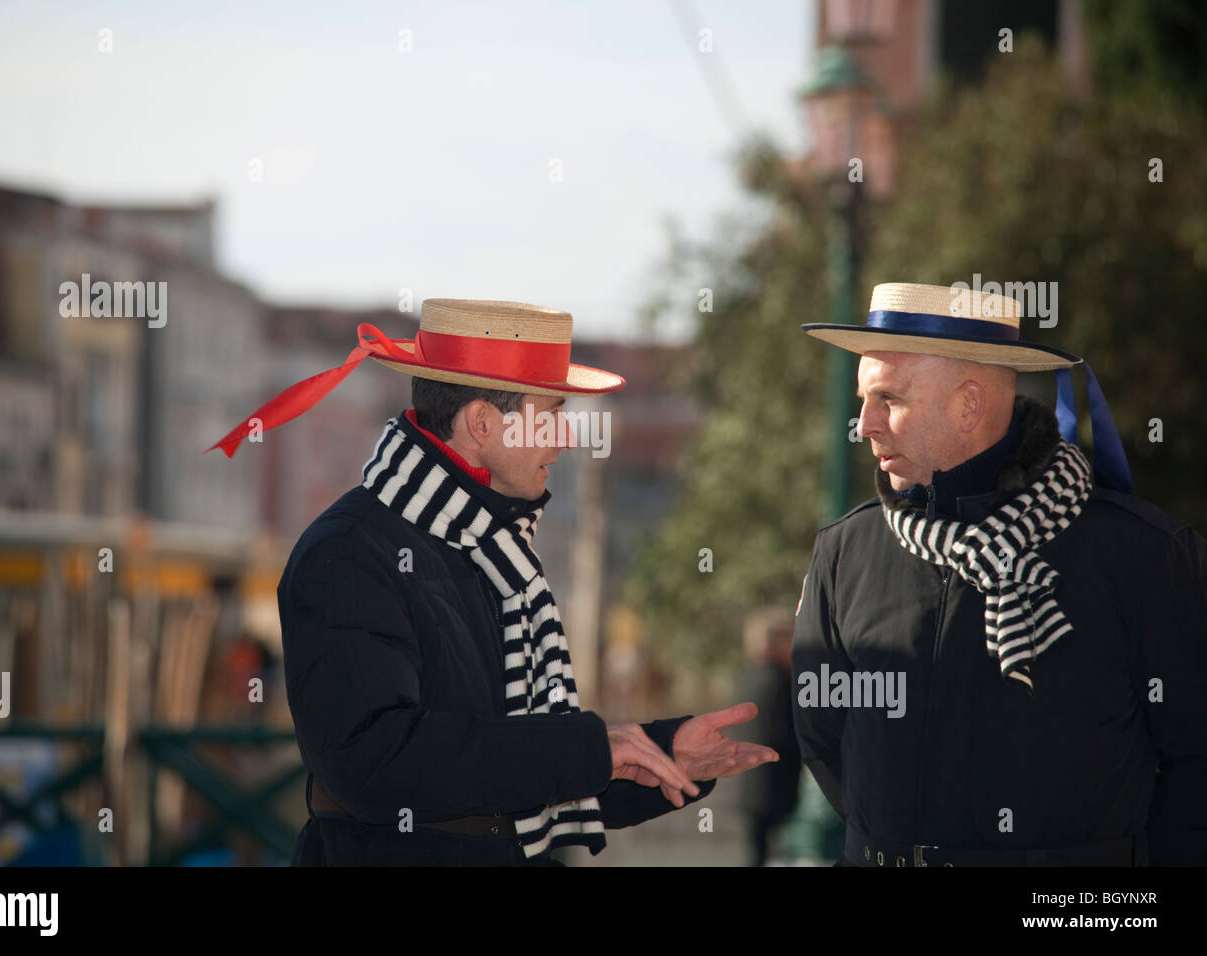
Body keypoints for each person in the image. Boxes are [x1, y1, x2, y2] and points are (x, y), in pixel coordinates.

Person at [208, 297, 778, 865]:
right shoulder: (348, 552)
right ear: (482, 423)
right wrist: (588, 750)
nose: (564, 439)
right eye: (551, 414)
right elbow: (376, 766)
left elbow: (513, 781)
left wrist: (663, 753)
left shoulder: (490, 547)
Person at [792, 281, 1207, 866]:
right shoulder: (846, 550)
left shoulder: (1145, 553)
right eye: (863, 400)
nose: (864, 425)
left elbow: (1194, 764)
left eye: (888, 399)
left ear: (969, 404)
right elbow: (822, 739)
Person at [731, 607, 802, 866]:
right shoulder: (777, 681)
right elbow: (785, 734)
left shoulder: (748, 676)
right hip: (773, 787)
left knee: (758, 853)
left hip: (750, 786)